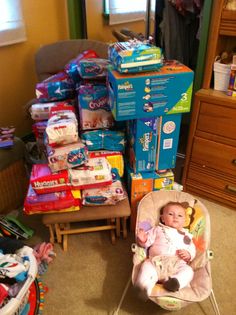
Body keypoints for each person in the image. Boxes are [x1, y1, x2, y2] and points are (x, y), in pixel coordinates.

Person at [135, 202, 196, 296]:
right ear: (163, 218)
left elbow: (192, 248)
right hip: (156, 262)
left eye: (180, 215)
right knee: (146, 267)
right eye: (171, 214)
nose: (175, 217)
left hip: (176, 264)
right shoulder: (157, 229)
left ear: (184, 221)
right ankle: (143, 287)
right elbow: (148, 241)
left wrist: (189, 254)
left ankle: (174, 282)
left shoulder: (186, 236)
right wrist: (143, 240)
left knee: (188, 271)